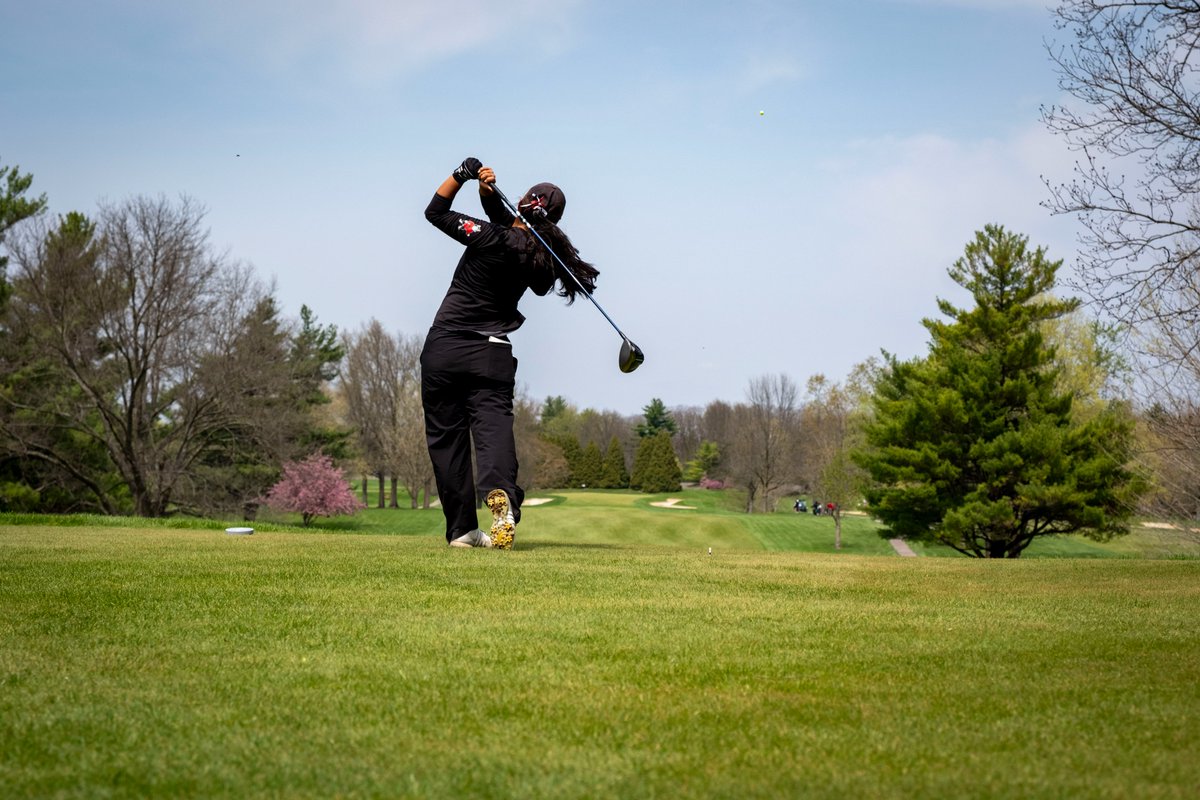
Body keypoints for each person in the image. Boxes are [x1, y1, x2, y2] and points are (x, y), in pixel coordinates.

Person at [420, 157, 598, 549]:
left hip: (444, 348)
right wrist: (486, 194)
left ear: (522, 203)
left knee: (447, 439)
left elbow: (435, 211)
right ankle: (502, 498)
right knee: (493, 429)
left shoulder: (489, 236)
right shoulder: (542, 261)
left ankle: (463, 531)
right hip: (491, 353)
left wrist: (461, 175)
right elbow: (512, 227)